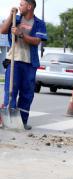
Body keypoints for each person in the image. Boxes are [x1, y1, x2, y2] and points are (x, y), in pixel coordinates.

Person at [0, 0, 47, 130]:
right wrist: (11, 15)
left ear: (29, 6)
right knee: (11, 90)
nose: (19, 6)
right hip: (14, 60)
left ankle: (22, 121)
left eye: (22, 4)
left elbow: (36, 41)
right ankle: (8, 120)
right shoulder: (16, 19)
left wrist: (20, 34)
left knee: (27, 93)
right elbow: (2, 30)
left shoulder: (39, 23)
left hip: (29, 62)